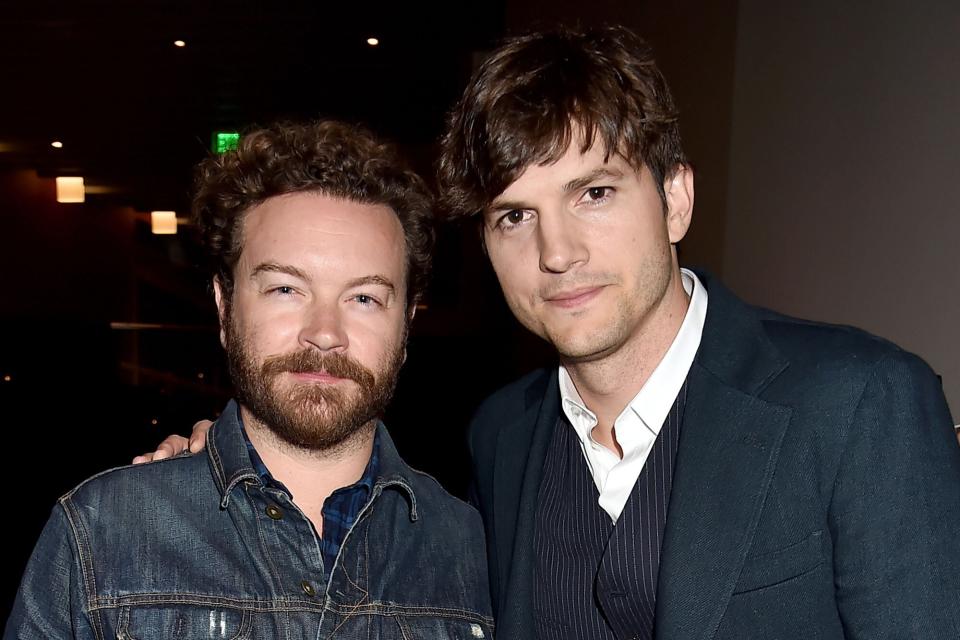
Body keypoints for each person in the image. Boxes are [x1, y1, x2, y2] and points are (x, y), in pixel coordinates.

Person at [139, 25, 960, 640]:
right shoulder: (502, 433)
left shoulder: (861, 403)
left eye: (594, 193)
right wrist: (222, 482)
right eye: (515, 215)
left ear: (674, 199)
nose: (557, 252)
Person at [5, 120, 493, 639]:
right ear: (224, 305)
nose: (324, 334)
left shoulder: (476, 549)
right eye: (286, 289)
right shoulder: (102, 532)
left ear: (408, 322)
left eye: (364, 298)